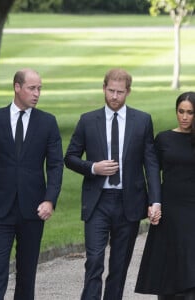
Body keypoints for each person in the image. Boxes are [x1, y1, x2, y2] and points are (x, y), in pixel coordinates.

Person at [64, 68, 161, 300]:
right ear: (103, 88)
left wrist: (155, 200)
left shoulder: (142, 121)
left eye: (120, 92)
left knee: (119, 266)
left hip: (129, 203)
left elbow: (151, 164)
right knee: (94, 260)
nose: (114, 96)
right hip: (98, 201)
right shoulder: (88, 120)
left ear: (128, 92)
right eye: (110, 91)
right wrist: (93, 168)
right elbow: (70, 157)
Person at [0, 68, 64, 300]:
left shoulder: (47, 122)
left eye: (39, 89)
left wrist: (50, 200)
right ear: (17, 87)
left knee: (27, 274)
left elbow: (55, 166)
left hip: (33, 209)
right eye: (32, 88)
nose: (37, 93)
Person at [135, 92, 195, 300]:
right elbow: (152, 173)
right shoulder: (164, 138)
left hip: (192, 208)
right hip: (169, 206)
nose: (184, 117)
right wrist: (153, 203)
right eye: (181, 111)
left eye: (190, 112)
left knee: (190, 256)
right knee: (168, 258)